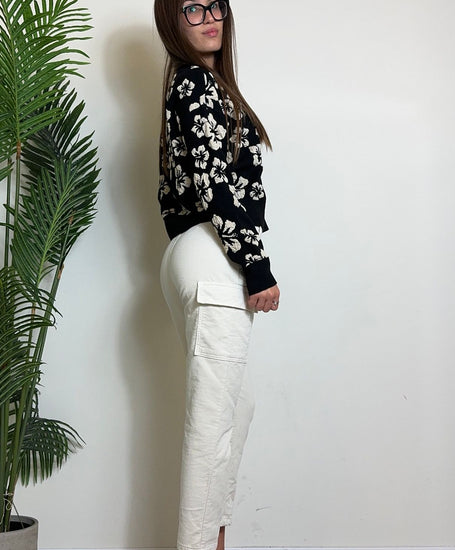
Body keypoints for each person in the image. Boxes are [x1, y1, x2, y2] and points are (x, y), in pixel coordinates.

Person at [154, 1, 280, 549]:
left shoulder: (197, 86)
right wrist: (256, 266)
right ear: (172, 22)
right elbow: (217, 187)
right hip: (211, 251)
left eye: (216, 5)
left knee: (235, 409)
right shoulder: (194, 84)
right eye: (192, 9)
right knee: (211, 431)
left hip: (196, 250)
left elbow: (175, 186)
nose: (208, 17)